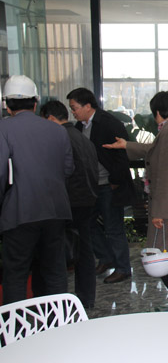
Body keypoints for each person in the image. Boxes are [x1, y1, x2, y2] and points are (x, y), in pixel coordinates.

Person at [104, 91, 168, 311]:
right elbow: (157, 151)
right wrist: (127, 145)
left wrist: (159, 212)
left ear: (158, 112)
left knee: (159, 259)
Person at [0, 75, 73, 304]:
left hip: (19, 213)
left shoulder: (3, 129)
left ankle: (17, 324)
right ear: (35, 103)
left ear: (6, 104)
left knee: (16, 274)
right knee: (55, 271)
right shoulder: (58, 130)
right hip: (55, 211)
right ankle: (58, 321)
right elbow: (68, 169)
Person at [67, 88, 134, 284]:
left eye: (74, 108)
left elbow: (122, 155)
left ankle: (123, 268)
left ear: (88, 106)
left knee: (113, 228)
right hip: (90, 185)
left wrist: (115, 181)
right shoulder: (79, 127)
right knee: (87, 224)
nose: (73, 112)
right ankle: (105, 258)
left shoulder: (108, 123)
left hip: (109, 185)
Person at [40, 100, 99, 309]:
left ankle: (58, 303)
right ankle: (86, 298)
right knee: (84, 251)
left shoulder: (58, 138)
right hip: (87, 200)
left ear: (50, 118)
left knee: (59, 254)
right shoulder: (81, 137)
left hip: (68, 203)